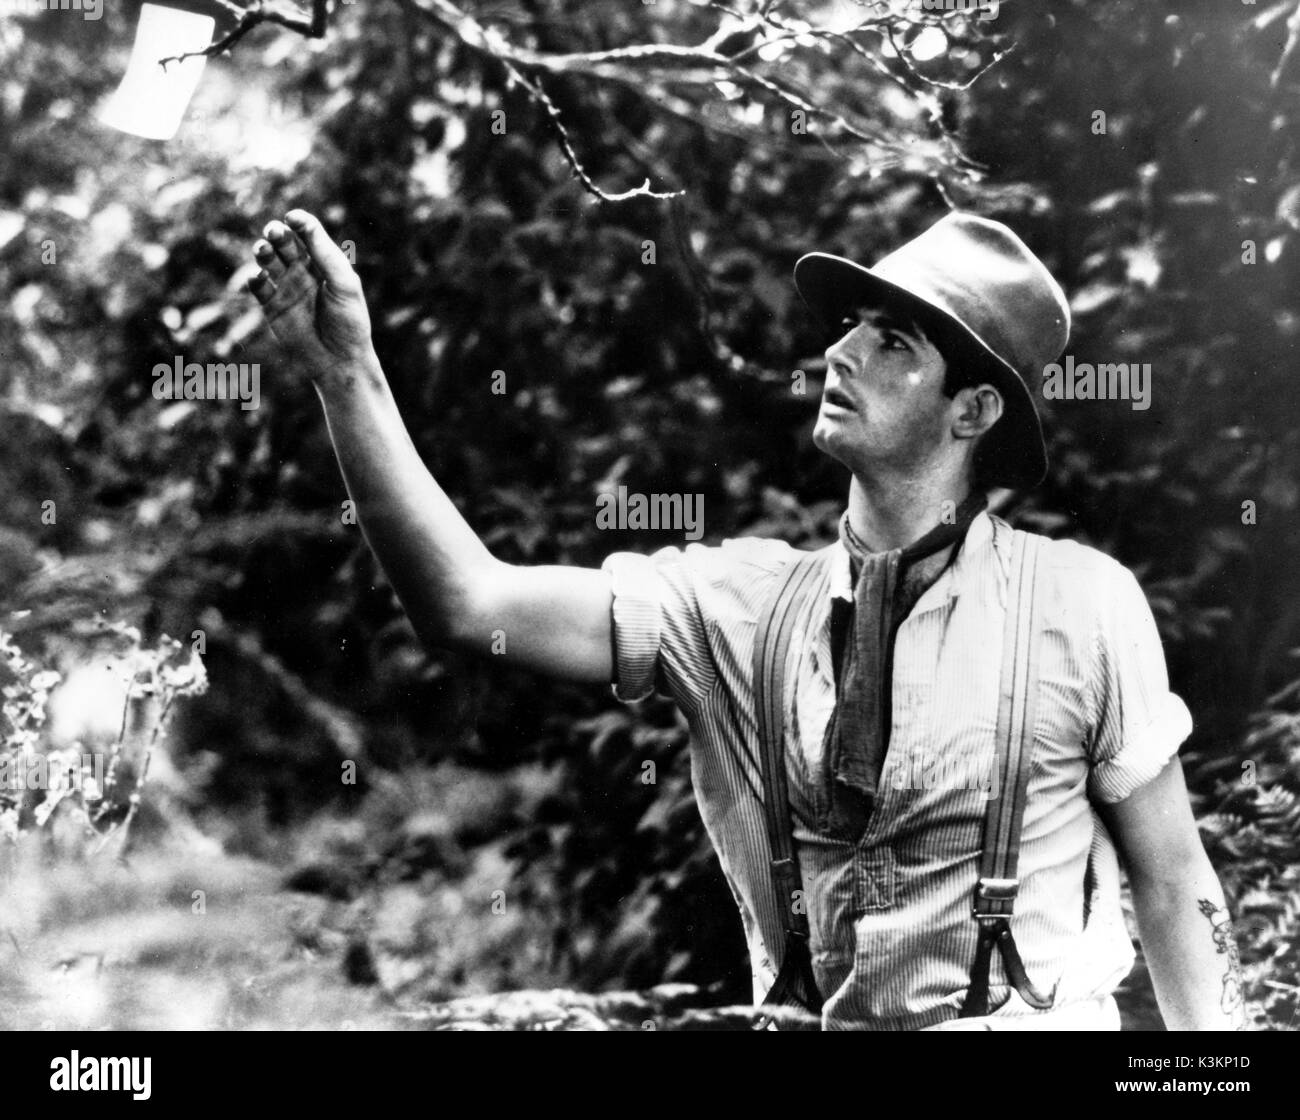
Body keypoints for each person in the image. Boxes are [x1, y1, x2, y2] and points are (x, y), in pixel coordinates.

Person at [247, 208, 1246, 1030]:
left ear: (973, 412)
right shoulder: (736, 606)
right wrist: (347, 372)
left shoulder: (1082, 603)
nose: (840, 350)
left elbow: (1171, 883)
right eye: (852, 326)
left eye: (891, 342)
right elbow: (468, 604)